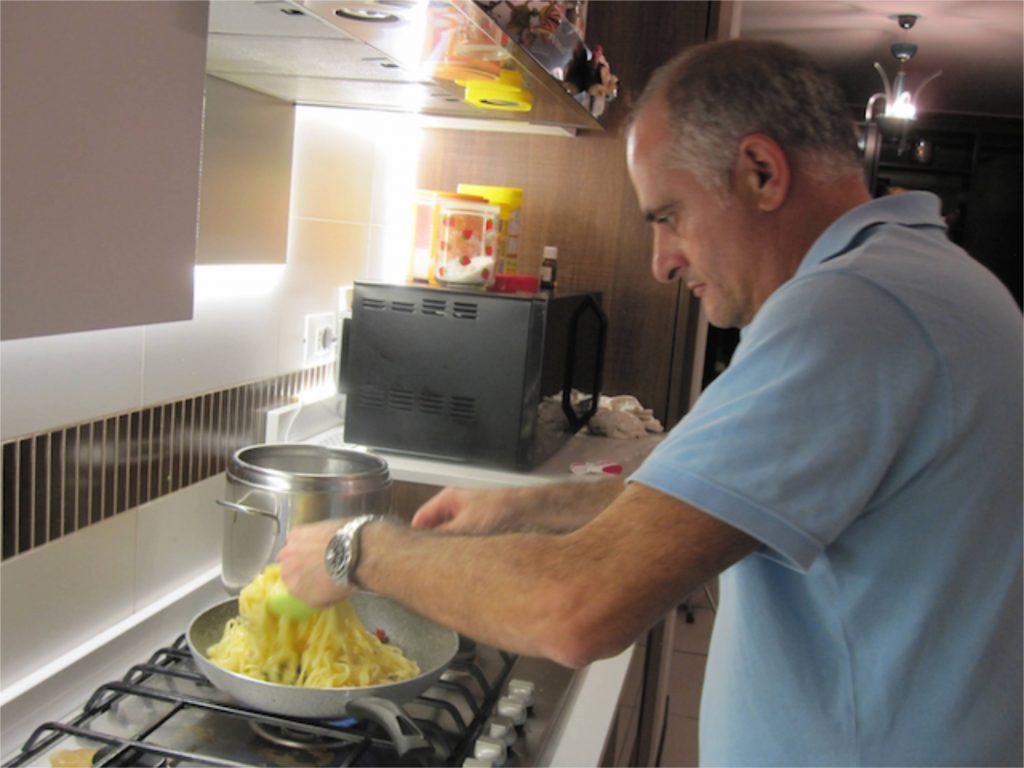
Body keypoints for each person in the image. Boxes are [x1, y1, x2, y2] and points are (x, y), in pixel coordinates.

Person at [280, 39, 1023, 766]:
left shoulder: (852, 312)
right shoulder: (922, 282)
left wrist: (357, 550)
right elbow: (701, 492)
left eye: (667, 216)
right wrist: (522, 508)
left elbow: (575, 610)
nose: (661, 263)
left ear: (761, 172)